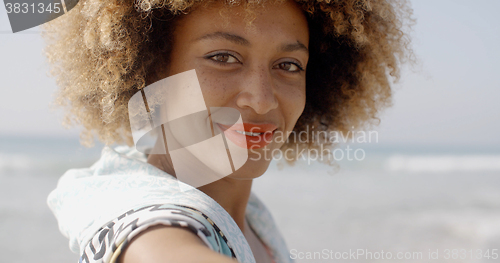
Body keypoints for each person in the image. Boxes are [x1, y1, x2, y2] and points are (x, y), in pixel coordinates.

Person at [42, 0, 413, 262]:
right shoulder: (137, 211)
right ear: (151, 70)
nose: (262, 99)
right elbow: (156, 243)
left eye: (288, 65)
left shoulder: (253, 216)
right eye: (223, 58)